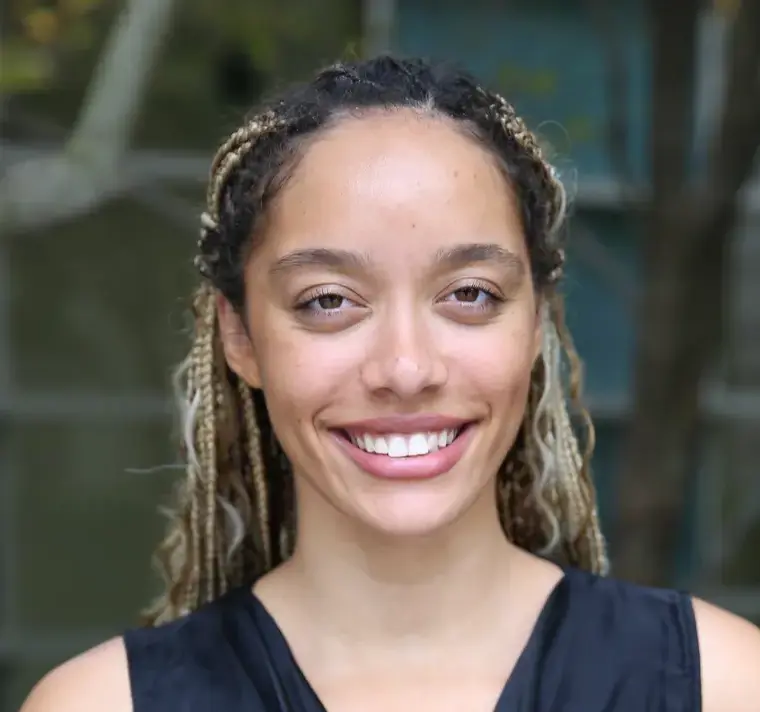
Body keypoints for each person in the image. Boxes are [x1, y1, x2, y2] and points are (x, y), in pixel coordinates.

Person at [22, 55, 760, 712]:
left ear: (536, 322)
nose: (406, 370)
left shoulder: (720, 687)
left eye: (469, 294)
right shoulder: (102, 704)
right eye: (328, 301)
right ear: (240, 337)